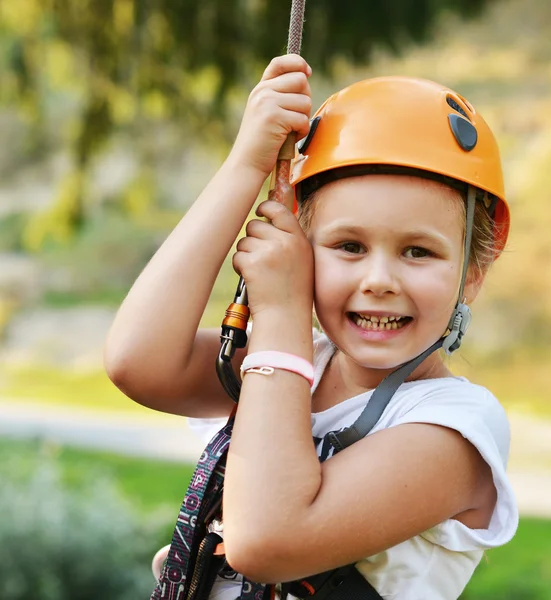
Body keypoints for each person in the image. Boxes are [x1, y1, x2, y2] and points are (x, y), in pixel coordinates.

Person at [104, 54, 518, 599]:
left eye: (418, 252)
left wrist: (281, 316)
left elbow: (267, 542)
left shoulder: (457, 430)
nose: (379, 279)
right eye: (349, 246)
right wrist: (244, 168)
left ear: (473, 274)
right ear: (302, 249)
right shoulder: (296, 365)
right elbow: (139, 361)